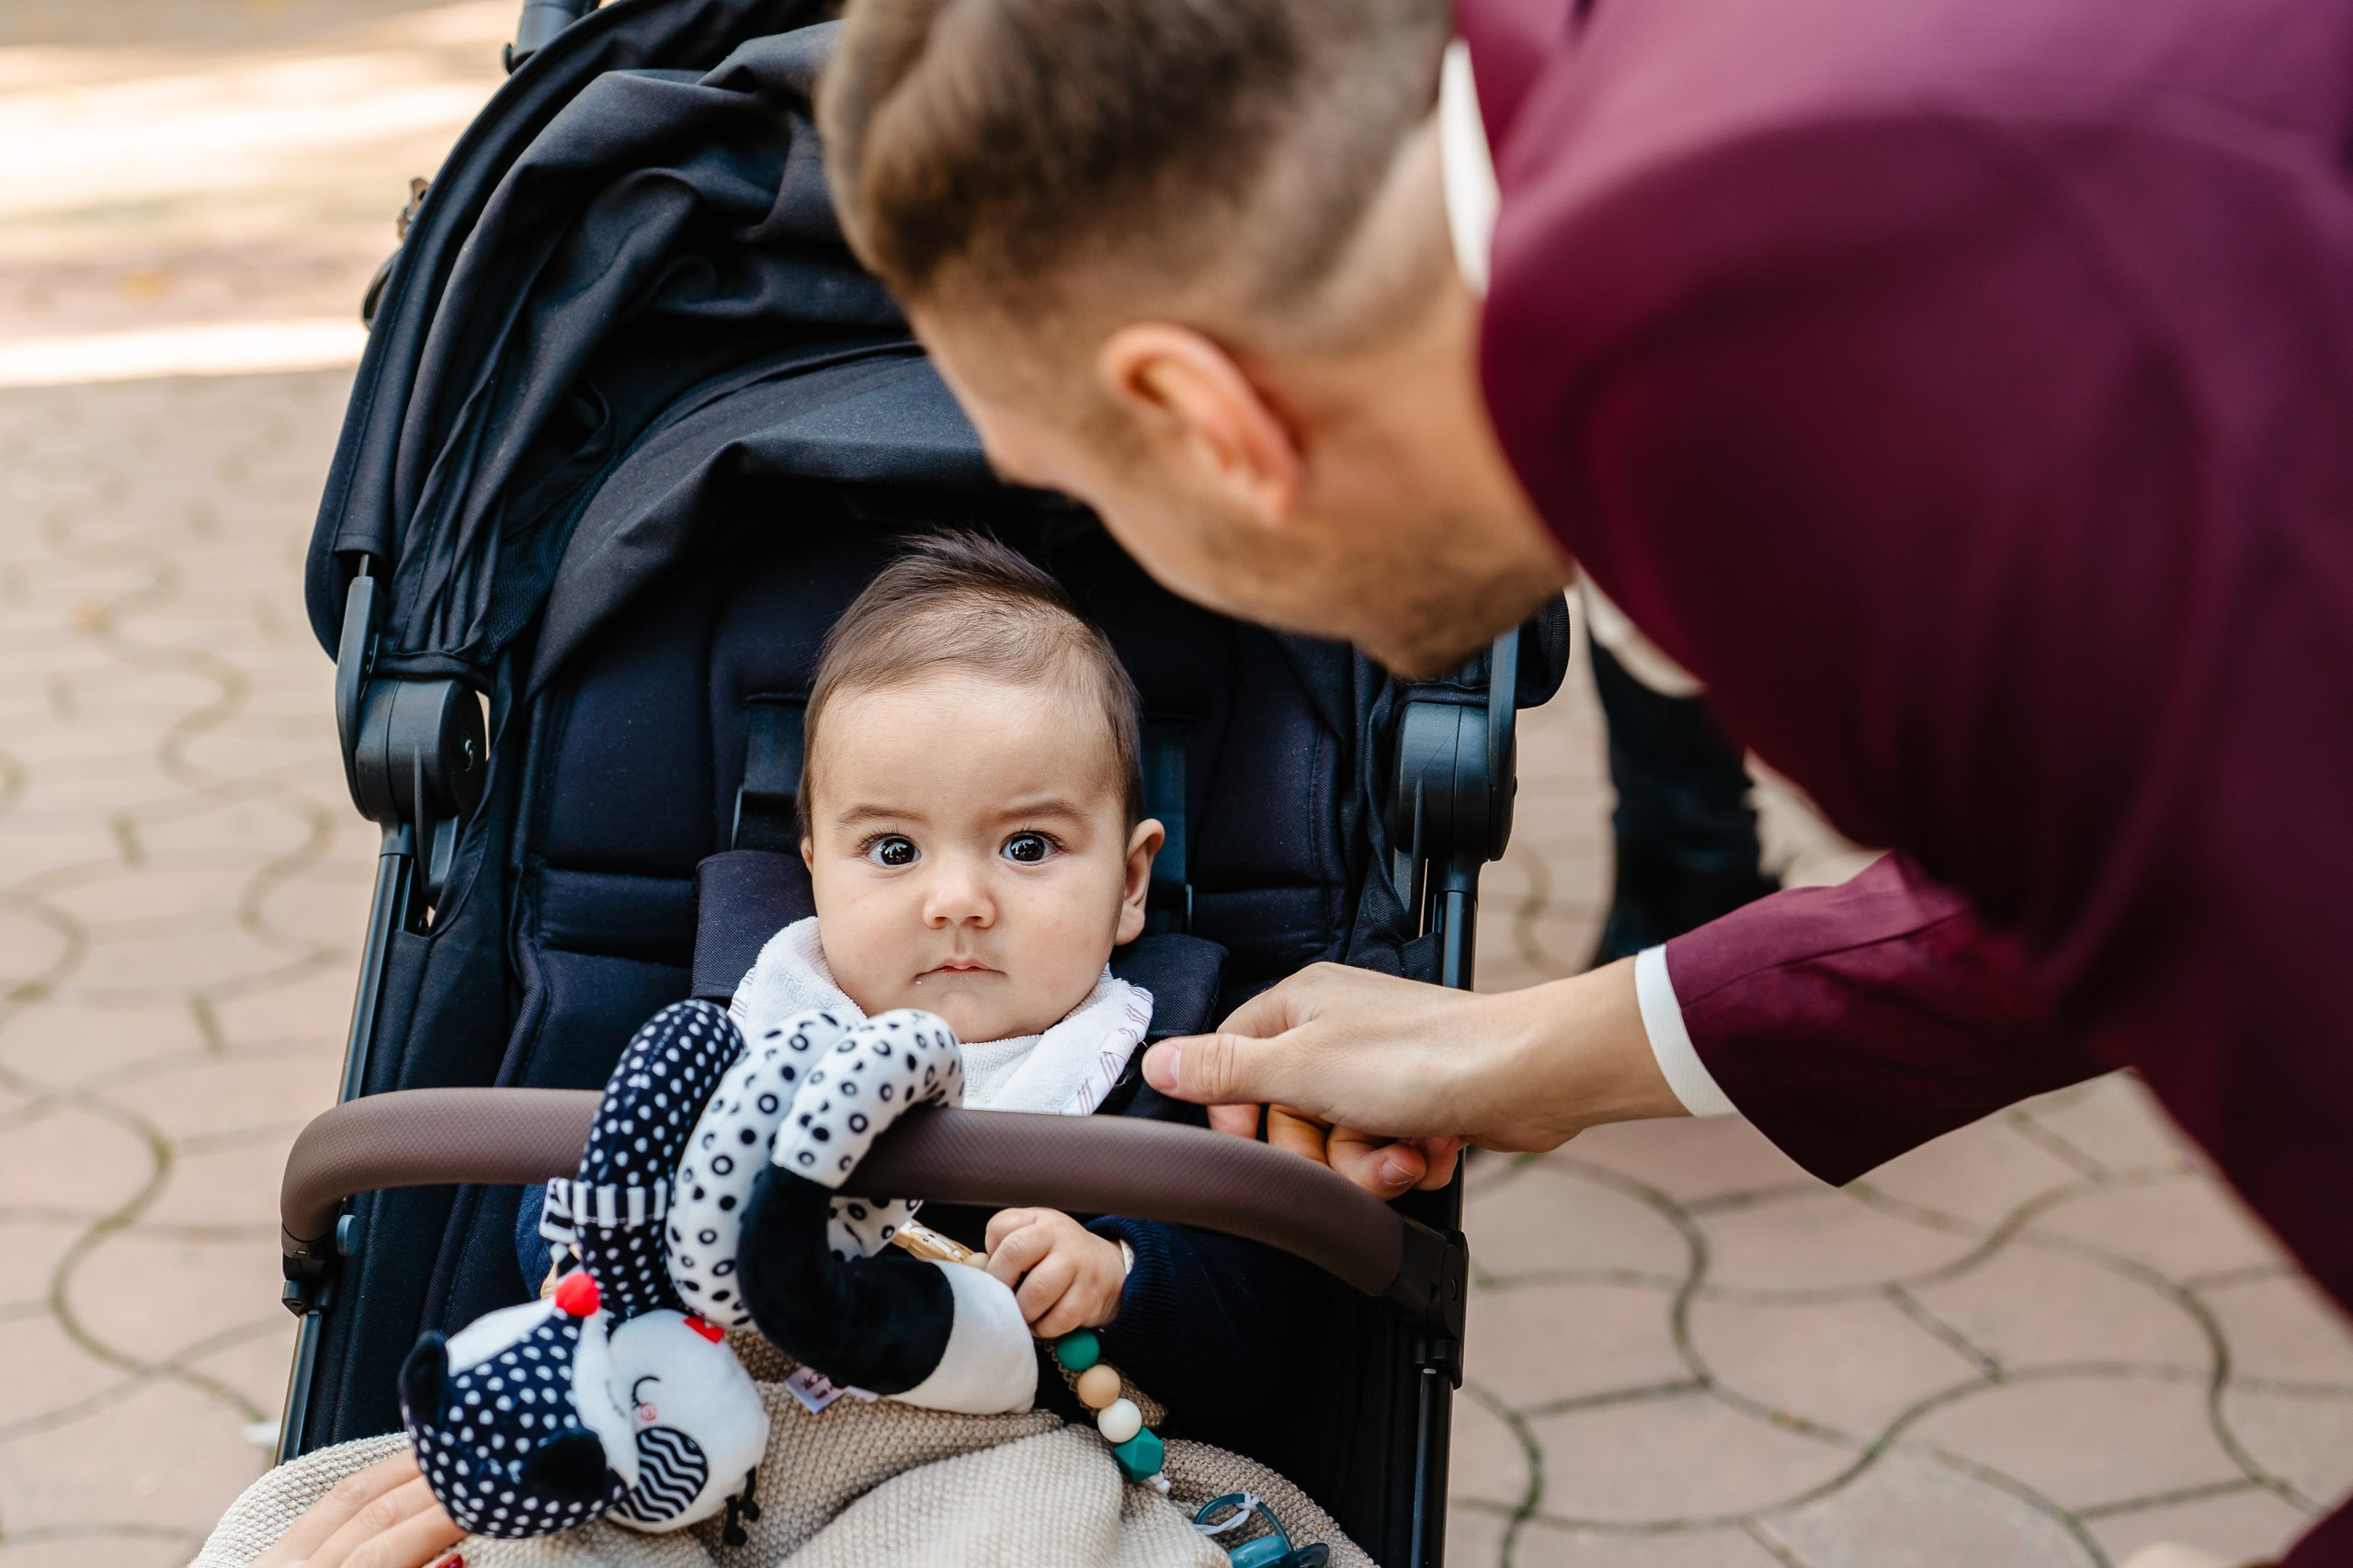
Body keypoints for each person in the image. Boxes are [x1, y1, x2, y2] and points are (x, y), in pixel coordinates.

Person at [815, 0, 2353, 1562]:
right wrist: (1538, 1050)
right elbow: (2132, 854)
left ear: (1210, 421)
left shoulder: (1720, 352)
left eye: (1091, 494)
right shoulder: (1648, 114)